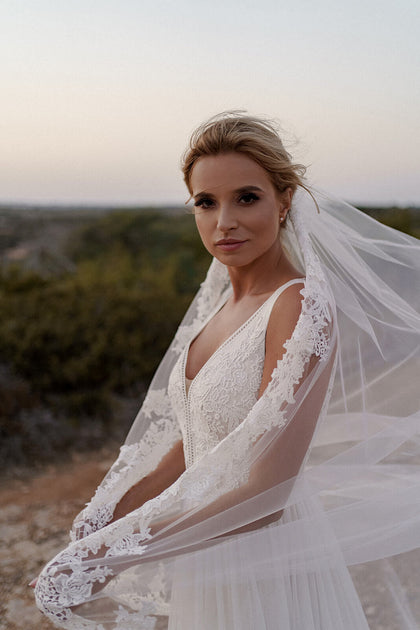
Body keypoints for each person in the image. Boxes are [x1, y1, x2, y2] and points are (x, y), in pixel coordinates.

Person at [34, 112, 420, 630]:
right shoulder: (220, 305)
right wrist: (102, 527)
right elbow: (195, 446)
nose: (224, 222)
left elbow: (268, 496)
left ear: (284, 201)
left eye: (247, 197)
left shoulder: (298, 304)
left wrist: (115, 553)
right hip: (203, 555)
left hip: (263, 567)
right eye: (206, 202)